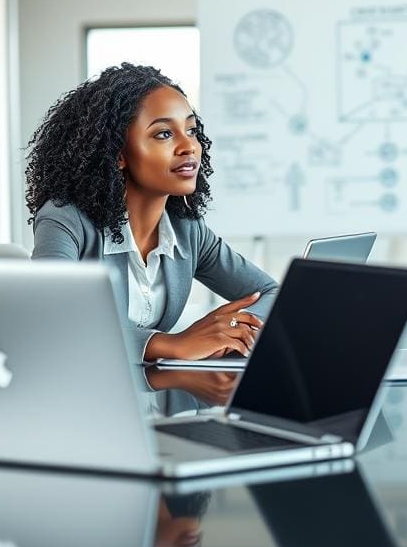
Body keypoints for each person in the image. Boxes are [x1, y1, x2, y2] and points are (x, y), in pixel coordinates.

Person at [27, 62, 278, 362]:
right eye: (163, 134)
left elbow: (272, 294)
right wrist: (171, 344)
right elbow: (52, 321)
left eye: (191, 130)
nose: (189, 147)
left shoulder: (187, 230)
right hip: (79, 397)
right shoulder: (66, 220)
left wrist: (229, 333)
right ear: (118, 154)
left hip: (161, 398)